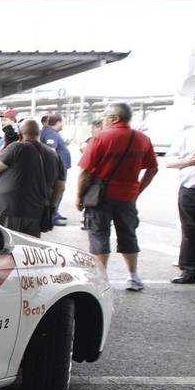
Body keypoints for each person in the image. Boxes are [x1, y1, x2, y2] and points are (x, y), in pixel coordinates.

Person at [76, 103, 158, 291]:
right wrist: (137, 190)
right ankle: (133, 277)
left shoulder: (100, 138)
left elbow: (85, 172)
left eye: (105, 116)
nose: (103, 119)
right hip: (128, 198)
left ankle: (101, 280)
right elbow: (152, 169)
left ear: (114, 118)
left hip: (100, 198)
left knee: (99, 235)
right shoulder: (143, 139)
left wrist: (79, 197)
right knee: (128, 234)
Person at [0, 119, 65, 238]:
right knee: (28, 252)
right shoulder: (54, 155)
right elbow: (61, 187)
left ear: (20, 134)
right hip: (36, 213)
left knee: (5, 249)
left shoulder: (17, 147)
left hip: (9, 211)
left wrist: (5, 146)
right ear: (39, 133)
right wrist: (51, 205)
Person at [163, 123, 195, 290]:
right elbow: (169, 161)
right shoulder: (188, 134)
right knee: (190, 231)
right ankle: (189, 271)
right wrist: (191, 160)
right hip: (190, 189)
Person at [41, 113, 72, 225]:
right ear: (58, 122)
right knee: (56, 191)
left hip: (59, 168)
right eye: (63, 121)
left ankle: (55, 213)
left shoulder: (52, 133)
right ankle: (52, 216)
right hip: (57, 170)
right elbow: (51, 151)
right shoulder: (50, 133)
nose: (63, 124)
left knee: (57, 191)